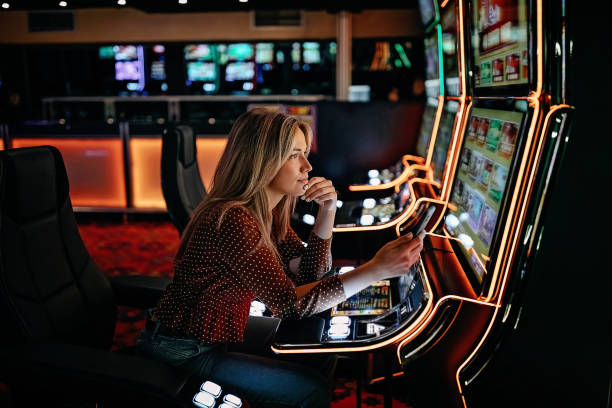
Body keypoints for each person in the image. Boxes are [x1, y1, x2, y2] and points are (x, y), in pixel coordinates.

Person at [137, 108, 425, 408]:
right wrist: (376, 270)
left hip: (220, 331)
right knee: (309, 390)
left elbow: (309, 275)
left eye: (305, 153)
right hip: (184, 348)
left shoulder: (268, 211)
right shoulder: (234, 219)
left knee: (317, 352)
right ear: (262, 162)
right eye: (294, 155)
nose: (307, 165)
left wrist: (327, 212)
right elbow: (290, 304)